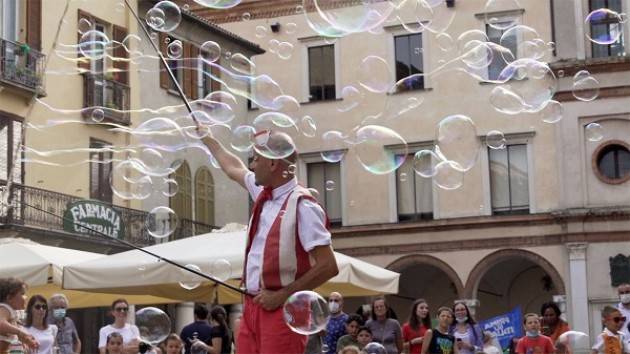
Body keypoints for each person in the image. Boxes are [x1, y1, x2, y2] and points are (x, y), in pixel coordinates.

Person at [201, 130, 339, 354]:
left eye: (256, 159)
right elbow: (233, 168)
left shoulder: (304, 206)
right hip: (252, 306)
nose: (252, 166)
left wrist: (281, 296)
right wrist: (208, 138)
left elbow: (329, 266)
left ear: (273, 163)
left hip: (284, 309)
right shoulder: (264, 193)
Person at [0, 277, 39, 353]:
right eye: (22, 294)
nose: (26, 297)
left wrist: (27, 341)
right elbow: (1, 323)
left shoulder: (12, 315)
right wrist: (20, 332)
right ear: (9, 297)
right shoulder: (5, 308)